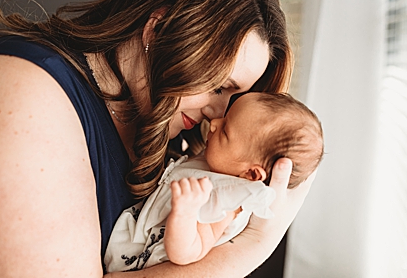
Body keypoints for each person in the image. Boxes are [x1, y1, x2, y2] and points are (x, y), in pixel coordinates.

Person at [0, 0, 311, 276]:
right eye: (216, 85)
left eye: (233, 99)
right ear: (158, 28)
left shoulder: (172, 138)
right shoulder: (30, 91)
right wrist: (254, 245)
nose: (219, 115)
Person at [105, 91, 325, 270]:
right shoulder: (221, 164)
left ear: (252, 175)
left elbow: (189, 252)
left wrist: (185, 213)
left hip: (133, 263)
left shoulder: (227, 203)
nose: (214, 123)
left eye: (226, 131)